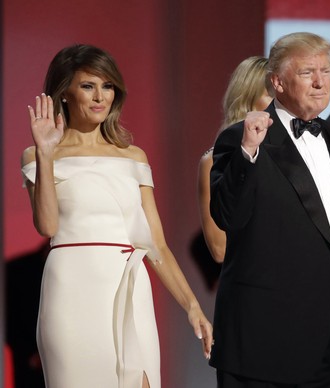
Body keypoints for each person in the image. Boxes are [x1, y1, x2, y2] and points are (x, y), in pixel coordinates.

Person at [20, 44, 213, 388]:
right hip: (71, 291)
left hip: (129, 287)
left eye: (107, 86)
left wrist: (192, 306)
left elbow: (157, 245)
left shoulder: (133, 156)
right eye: (88, 86)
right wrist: (46, 155)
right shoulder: (38, 154)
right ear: (65, 92)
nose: (100, 97)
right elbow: (47, 226)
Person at [209, 32, 330, 387]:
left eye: (325, 71)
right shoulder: (240, 138)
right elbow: (227, 215)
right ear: (277, 82)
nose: (322, 82)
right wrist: (248, 152)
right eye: (308, 73)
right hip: (261, 341)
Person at [197, 56, 273, 263]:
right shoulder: (212, 160)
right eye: (271, 95)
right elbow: (220, 249)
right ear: (248, 100)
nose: (280, 105)